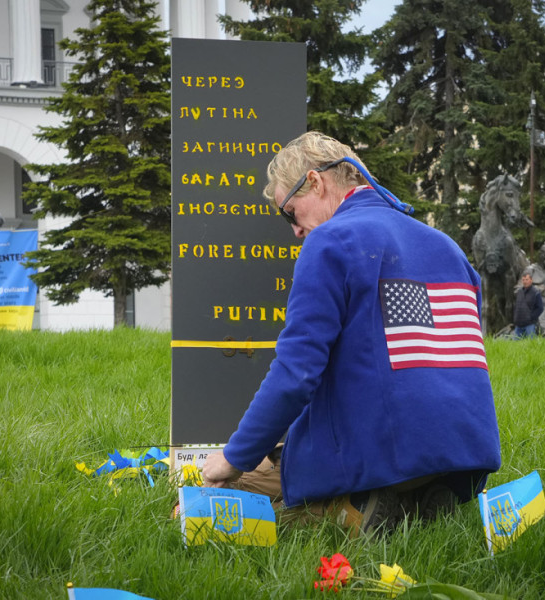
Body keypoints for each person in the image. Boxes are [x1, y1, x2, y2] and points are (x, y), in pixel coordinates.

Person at [201, 132, 501, 534]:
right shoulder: (448, 247)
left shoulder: (330, 241)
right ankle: (418, 502)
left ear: (315, 182)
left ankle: (348, 511)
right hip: (464, 456)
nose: (294, 230)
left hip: (378, 452)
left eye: (290, 212)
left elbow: (295, 374)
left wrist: (233, 458)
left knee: (202, 503)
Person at [513, 270, 543, 339]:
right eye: (523, 280)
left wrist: (531, 317)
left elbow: (540, 308)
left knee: (531, 344)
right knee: (514, 345)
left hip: (530, 324)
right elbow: (516, 306)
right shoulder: (519, 292)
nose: (525, 281)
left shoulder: (536, 292)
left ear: (531, 280)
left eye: (526, 279)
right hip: (518, 324)